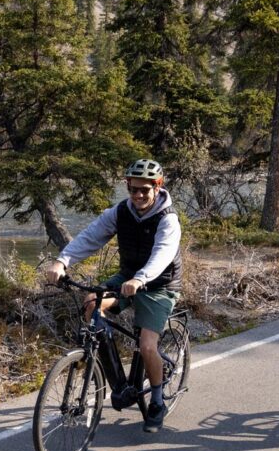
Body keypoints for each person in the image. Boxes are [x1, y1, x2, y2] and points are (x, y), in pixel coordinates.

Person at [43, 159, 183, 433]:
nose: (138, 195)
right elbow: (91, 237)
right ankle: (117, 382)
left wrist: (141, 279)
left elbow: (163, 254)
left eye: (145, 190)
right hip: (128, 278)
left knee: (147, 347)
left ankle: (157, 402)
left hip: (159, 285)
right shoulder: (120, 212)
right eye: (133, 189)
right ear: (127, 186)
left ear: (157, 187)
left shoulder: (168, 220)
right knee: (92, 304)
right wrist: (62, 262)